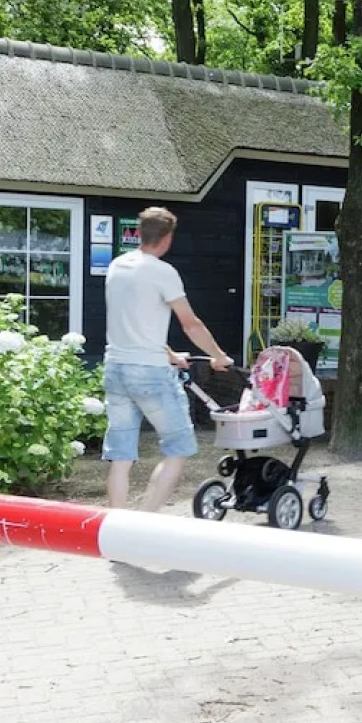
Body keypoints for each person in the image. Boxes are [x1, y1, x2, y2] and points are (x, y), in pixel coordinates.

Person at [102, 206, 232, 512]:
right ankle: (146, 522)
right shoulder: (163, 272)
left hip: (116, 368)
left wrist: (171, 354)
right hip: (149, 373)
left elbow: (131, 321)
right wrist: (218, 356)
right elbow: (191, 323)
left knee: (121, 456)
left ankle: (118, 528)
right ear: (168, 237)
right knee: (178, 448)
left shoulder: (118, 266)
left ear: (139, 232)